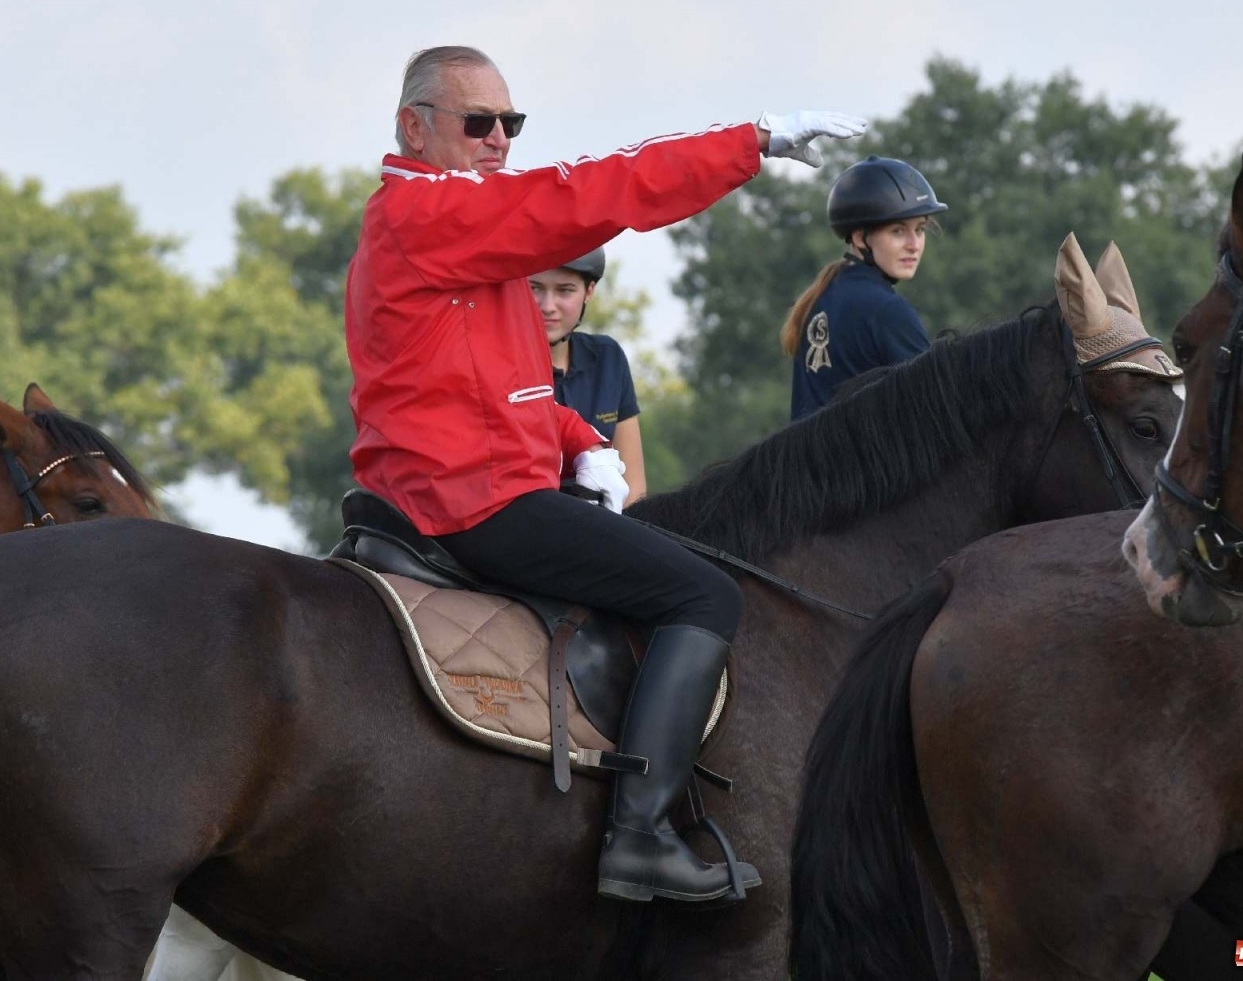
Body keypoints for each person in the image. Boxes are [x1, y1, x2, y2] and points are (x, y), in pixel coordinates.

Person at [346, 44, 865, 906]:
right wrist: (751, 142)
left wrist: (577, 434)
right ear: (414, 127)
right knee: (706, 597)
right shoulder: (431, 213)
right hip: (471, 503)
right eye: (479, 123)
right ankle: (642, 835)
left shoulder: (445, 228)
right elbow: (597, 189)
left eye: (512, 123)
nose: (499, 139)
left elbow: (469, 391)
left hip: (463, 481)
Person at [782, 155, 949, 421]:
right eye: (897, 231)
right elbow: (934, 414)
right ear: (861, 238)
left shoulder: (820, 298)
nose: (914, 244)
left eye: (919, 230)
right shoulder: (886, 311)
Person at [528, 246, 647, 506]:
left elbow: (634, 488)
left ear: (588, 292)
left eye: (565, 290)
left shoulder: (608, 357)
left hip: (608, 523)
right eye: (534, 288)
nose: (547, 306)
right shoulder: (500, 366)